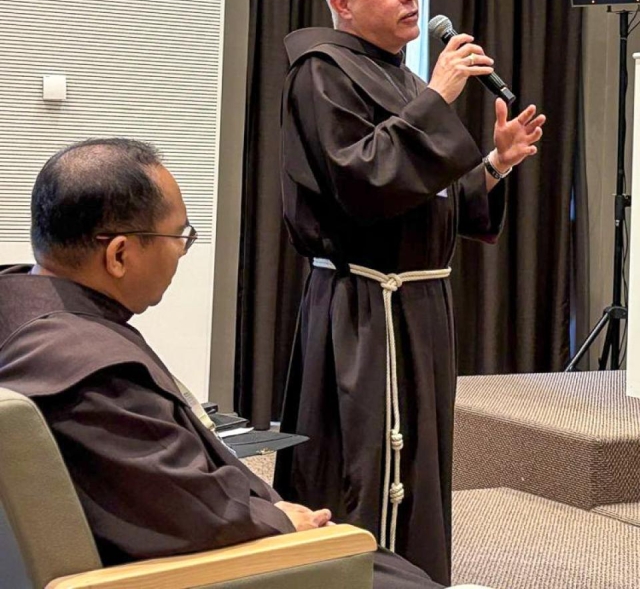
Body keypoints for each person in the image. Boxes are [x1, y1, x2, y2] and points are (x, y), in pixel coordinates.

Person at [0, 139, 442, 588]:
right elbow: (192, 514)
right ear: (118, 255)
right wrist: (279, 521)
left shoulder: (21, 307)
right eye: (180, 237)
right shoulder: (89, 375)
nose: (182, 251)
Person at [275, 0, 544, 584]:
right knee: (367, 462)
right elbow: (361, 184)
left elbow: (426, 199)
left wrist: (494, 165)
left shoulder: (399, 76)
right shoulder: (320, 71)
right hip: (365, 305)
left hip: (419, 302)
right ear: (342, 3)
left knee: (419, 462)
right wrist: (438, 98)